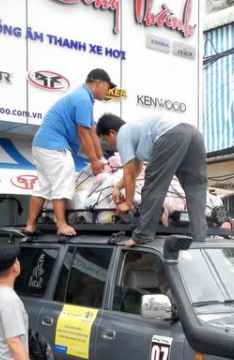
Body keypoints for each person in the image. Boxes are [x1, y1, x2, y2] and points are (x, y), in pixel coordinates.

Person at [24, 69, 116, 237]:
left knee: (43, 186)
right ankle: (61, 224)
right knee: (64, 182)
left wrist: (101, 158)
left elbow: (92, 132)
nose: (108, 92)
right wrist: (94, 161)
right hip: (54, 145)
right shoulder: (83, 99)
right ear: (99, 83)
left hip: (41, 144)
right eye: (107, 87)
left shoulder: (82, 98)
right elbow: (83, 134)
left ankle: (30, 225)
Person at [96, 113, 207, 245]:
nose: (108, 143)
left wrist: (127, 203)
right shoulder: (136, 132)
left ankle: (142, 235)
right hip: (194, 134)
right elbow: (136, 170)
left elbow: (129, 173)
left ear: (112, 132)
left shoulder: (123, 135)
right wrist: (117, 187)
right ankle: (199, 235)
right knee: (195, 186)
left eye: (105, 139)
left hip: (172, 135)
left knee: (154, 185)